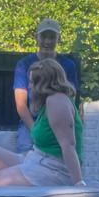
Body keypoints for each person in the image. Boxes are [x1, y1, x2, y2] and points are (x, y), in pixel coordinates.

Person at [0, 59, 87, 188]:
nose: (29, 86)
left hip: (55, 169)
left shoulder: (57, 102)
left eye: (32, 82)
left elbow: (68, 145)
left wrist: (78, 183)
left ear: (44, 83)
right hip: (37, 159)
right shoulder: (48, 102)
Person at [13, 19, 79, 152]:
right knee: (25, 152)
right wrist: (35, 131)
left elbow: (71, 100)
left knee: (67, 153)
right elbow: (21, 104)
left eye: (52, 37)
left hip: (60, 123)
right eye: (44, 36)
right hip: (33, 122)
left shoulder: (68, 65)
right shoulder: (24, 64)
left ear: (58, 39)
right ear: (36, 38)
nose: (47, 41)